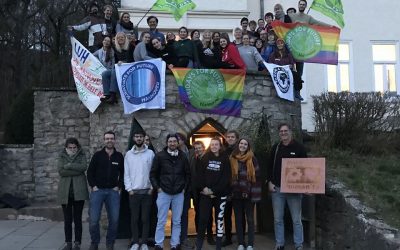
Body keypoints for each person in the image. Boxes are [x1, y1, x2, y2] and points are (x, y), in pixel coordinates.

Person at [267, 123, 307, 250]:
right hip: (277, 189)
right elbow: (269, 167)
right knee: (278, 219)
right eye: (281, 131)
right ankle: (279, 243)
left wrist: (306, 186)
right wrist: (269, 182)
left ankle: (299, 244)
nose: (283, 133)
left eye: (285, 131)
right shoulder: (276, 148)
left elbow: (306, 169)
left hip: (294, 190)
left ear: (290, 131)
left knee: (296, 219)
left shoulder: (299, 147)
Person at [150, 134, 190, 250]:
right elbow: (153, 174)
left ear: (178, 143)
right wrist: (158, 188)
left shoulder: (183, 156)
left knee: (177, 221)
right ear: (167, 143)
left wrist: (184, 188)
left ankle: (174, 244)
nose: (172, 143)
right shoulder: (160, 156)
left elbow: (188, 174)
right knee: (161, 220)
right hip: (164, 192)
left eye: (174, 141)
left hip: (178, 193)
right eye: (170, 141)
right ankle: (159, 244)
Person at [87, 131, 124, 250]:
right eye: (107, 139)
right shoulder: (97, 155)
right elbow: (90, 172)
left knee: (114, 219)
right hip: (98, 191)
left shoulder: (119, 156)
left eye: (111, 138)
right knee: (93, 220)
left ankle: (110, 242)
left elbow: (123, 174)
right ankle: (94, 242)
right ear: (104, 140)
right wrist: (93, 186)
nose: (109, 140)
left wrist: (118, 186)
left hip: (113, 192)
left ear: (114, 140)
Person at [195, 137, 231, 250]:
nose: (214, 146)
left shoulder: (225, 158)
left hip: (220, 195)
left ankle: (218, 246)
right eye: (212, 144)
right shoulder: (205, 157)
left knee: (219, 220)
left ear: (220, 146)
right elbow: (199, 175)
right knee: (203, 219)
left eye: (216, 144)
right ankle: (199, 245)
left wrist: (214, 191)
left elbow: (226, 178)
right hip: (205, 194)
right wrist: (205, 189)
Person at [124, 130, 155, 250]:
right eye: (136, 136)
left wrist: (152, 188)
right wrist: (129, 189)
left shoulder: (150, 153)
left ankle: (144, 243)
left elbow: (153, 172)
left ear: (143, 138)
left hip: (147, 192)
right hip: (134, 193)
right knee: (134, 219)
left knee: (145, 219)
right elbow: (126, 173)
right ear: (133, 139)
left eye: (140, 137)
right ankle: (136, 242)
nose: (138, 138)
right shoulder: (128, 155)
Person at [57, 138, 89, 250]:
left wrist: (69, 165)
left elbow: (83, 167)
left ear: (77, 147)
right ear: (66, 147)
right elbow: (61, 171)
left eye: (74, 147)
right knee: (67, 219)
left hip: (78, 192)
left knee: (78, 219)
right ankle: (68, 242)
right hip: (65, 193)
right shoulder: (62, 156)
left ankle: (77, 243)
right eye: (70, 147)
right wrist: (75, 168)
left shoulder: (81, 155)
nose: (72, 149)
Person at [230, 138, 261, 250]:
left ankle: (250, 244)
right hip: (236, 194)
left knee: (250, 219)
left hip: (249, 194)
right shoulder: (232, 158)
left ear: (248, 146)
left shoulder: (252, 159)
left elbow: (256, 178)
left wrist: (254, 194)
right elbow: (229, 176)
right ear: (238, 144)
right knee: (238, 219)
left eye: (245, 144)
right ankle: (241, 243)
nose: (242, 145)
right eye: (241, 143)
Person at [190, 141, 215, 245]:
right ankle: (199, 235)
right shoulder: (193, 159)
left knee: (208, 215)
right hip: (196, 192)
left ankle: (210, 236)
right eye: (196, 148)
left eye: (199, 148)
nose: (198, 150)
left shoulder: (209, 159)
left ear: (204, 148)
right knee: (198, 214)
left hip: (206, 191)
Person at [221, 130, 239, 247]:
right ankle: (228, 238)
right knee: (226, 215)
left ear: (237, 138)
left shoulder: (242, 150)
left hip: (238, 187)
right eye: (228, 137)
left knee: (239, 215)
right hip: (226, 188)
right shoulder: (224, 152)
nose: (230, 138)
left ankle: (241, 238)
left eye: (233, 137)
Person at [94, 37, 115, 102]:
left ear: (110, 43)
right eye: (105, 40)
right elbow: (91, 56)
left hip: (110, 69)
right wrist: (97, 61)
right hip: (101, 69)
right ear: (102, 41)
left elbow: (113, 63)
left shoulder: (111, 51)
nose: (106, 42)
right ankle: (105, 95)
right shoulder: (99, 51)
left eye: (108, 41)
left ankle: (107, 94)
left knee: (105, 74)